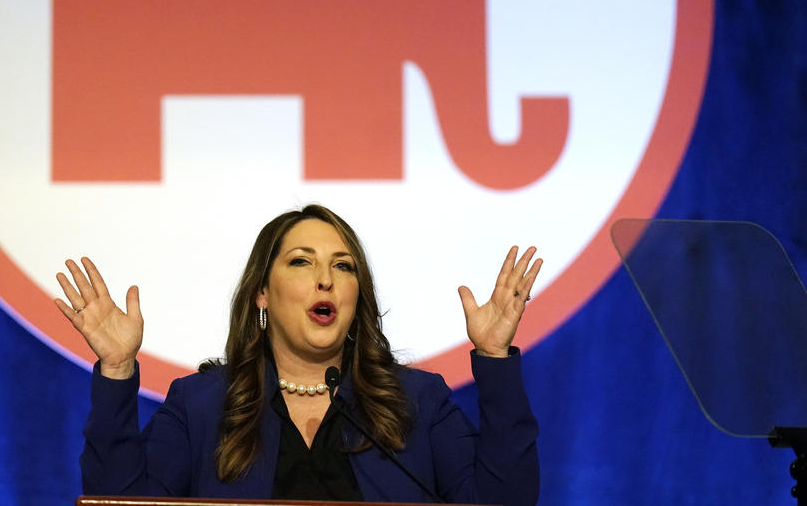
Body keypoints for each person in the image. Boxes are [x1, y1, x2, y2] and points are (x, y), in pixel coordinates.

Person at [55, 204, 542, 505]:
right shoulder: (202, 406)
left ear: (357, 296)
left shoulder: (417, 401)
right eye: (301, 262)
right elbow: (120, 504)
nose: (325, 279)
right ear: (262, 294)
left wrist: (495, 358)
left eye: (343, 266)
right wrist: (117, 370)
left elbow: (504, 502)